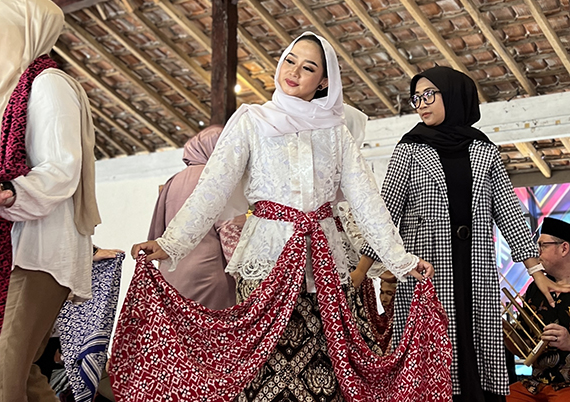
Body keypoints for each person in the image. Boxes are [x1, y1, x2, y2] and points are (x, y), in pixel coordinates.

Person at [115, 32, 446, 402]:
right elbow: (213, 188)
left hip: (324, 266)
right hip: (266, 261)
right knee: (261, 373)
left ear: (323, 81)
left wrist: (400, 260)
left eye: (308, 68)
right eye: (290, 60)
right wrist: (169, 243)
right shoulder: (252, 120)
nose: (294, 72)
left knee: (324, 373)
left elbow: (367, 201)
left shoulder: (336, 131)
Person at [360, 66, 569, 402]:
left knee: (476, 355)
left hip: (475, 271)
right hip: (426, 274)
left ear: (454, 95)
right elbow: (385, 215)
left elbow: (509, 212)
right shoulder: (409, 150)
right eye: (416, 98)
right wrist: (360, 271)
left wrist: (535, 271)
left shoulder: (484, 150)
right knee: (430, 361)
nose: (421, 104)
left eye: (429, 95)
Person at [0, 0, 100, 402]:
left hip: (36, 252)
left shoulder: (48, 85)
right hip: (5, 252)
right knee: (21, 377)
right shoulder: (4, 98)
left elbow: (61, 169)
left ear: (19, 34)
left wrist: (11, 191)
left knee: (0, 377)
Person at [148, 124, 236, 310]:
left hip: (171, 275)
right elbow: (231, 231)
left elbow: (158, 233)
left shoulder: (172, 181)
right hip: (210, 274)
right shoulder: (217, 178)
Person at [506, 217, 570, 401]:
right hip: (535, 385)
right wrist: (505, 332)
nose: (536, 251)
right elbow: (523, 351)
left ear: (564, 248)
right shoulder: (535, 288)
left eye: (543, 245)